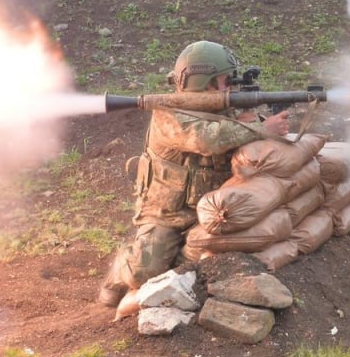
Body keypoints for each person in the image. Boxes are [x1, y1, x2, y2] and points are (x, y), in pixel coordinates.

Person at [97, 41, 290, 306]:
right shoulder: (167, 113)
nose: (230, 86)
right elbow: (206, 139)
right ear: (206, 83)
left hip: (210, 213)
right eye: (224, 81)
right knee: (145, 272)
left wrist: (257, 124)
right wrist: (260, 128)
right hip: (166, 215)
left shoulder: (227, 111)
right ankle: (121, 271)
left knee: (203, 263)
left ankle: (180, 266)